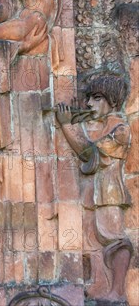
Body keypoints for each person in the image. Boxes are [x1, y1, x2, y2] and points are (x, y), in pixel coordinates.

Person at [56, 75, 132, 303]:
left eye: (97, 98)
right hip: (92, 195)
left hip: (110, 195)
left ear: (113, 102)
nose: (89, 103)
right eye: (88, 98)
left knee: (114, 239)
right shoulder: (94, 125)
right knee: (92, 239)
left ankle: (118, 290)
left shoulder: (120, 130)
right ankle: (101, 284)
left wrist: (67, 124)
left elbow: (89, 153)